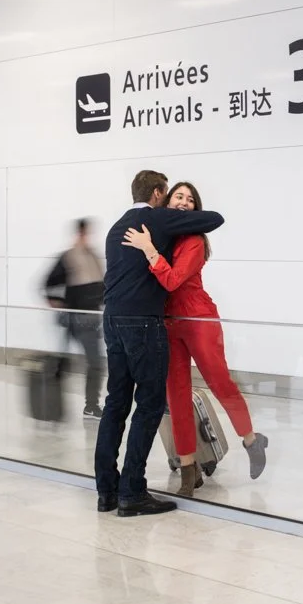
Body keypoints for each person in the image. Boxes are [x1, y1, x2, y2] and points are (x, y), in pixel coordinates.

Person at [122, 182, 268, 497]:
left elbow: (173, 281)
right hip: (169, 322)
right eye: (179, 196)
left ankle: (252, 440)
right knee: (177, 396)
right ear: (166, 201)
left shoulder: (193, 241)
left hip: (198, 318)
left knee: (219, 382)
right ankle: (189, 469)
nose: (184, 202)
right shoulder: (162, 234)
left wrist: (148, 250)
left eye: (190, 199)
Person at [94, 169, 225, 517]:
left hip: (111, 320)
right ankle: (132, 492)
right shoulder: (158, 219)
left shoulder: (115, 227)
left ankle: (106, 491)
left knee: (115, 405)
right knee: (150, 405)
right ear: (157, 194)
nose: (173, 202)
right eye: (169, 196)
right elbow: (215, 218)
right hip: (144, 323)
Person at [45, 218, 106, 419]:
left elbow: (101, 287)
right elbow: (48, 283)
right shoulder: (68, 257)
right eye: (84, 233)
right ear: (79, 233)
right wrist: (58, 304)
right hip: (77, 319)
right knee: (92, 363)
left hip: (91, 318)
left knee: (84, 363)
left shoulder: (94, 257)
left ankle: (87, 405)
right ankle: (57, 402)